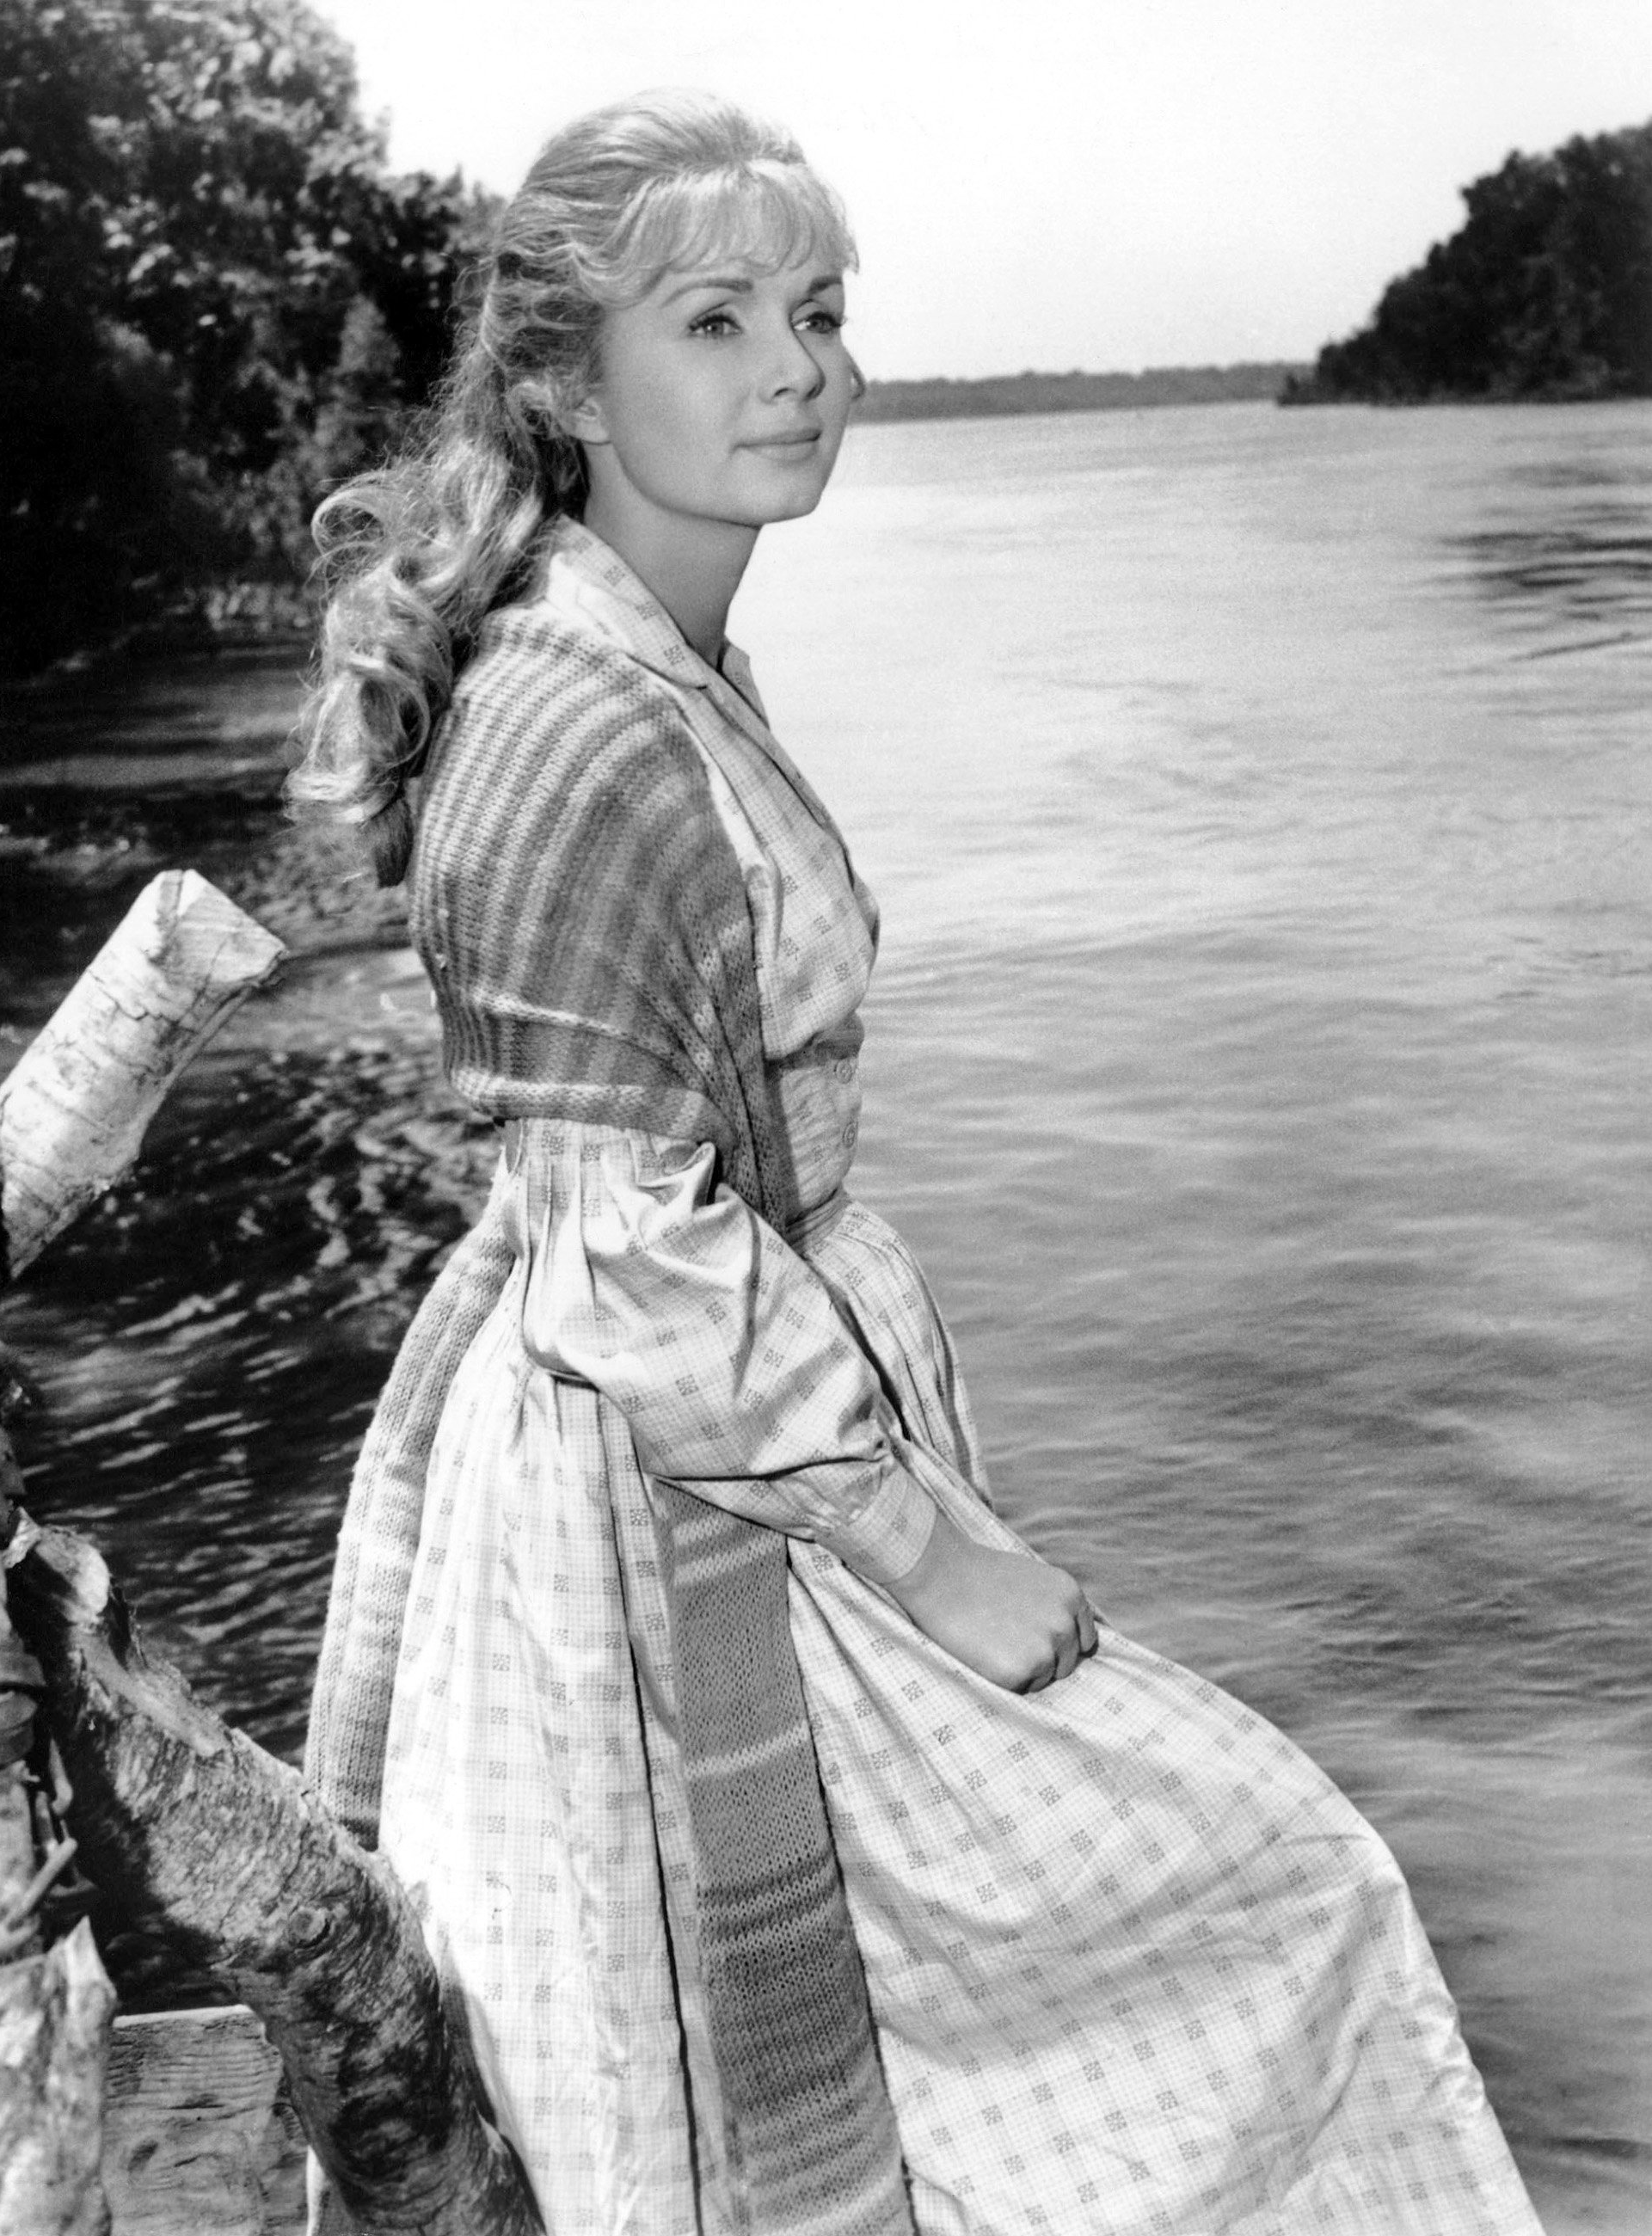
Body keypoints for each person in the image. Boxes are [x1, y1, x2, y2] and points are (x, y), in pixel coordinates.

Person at [293, 89, 1544, 2236]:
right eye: (715, 320)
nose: (798, 367)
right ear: (561, 382)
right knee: (1281, 1884)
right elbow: (632, 1253)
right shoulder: (576, 723)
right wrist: (930, 1552)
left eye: (818, 310)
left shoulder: (658, 657)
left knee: (908, 2049)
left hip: (741, 1418)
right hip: (681, 1471)